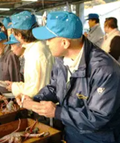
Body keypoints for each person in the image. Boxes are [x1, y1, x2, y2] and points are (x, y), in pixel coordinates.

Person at [18, 11, 120, 143]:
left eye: (49, 39)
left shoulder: (105, 70)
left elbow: (97, 118)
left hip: (99, 137)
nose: (46, 43)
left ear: (65, 43)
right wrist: (35, 98)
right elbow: (55, 87)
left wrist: (57, 112)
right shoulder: (62, 59)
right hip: (71, 131)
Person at [3, 11, 53, 98]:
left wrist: (14, 87)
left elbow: (35, 89)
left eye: (13, 32)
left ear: (19, 35)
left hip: (41, 103)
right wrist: (16, 85)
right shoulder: (35, 47)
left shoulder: (36, 52)